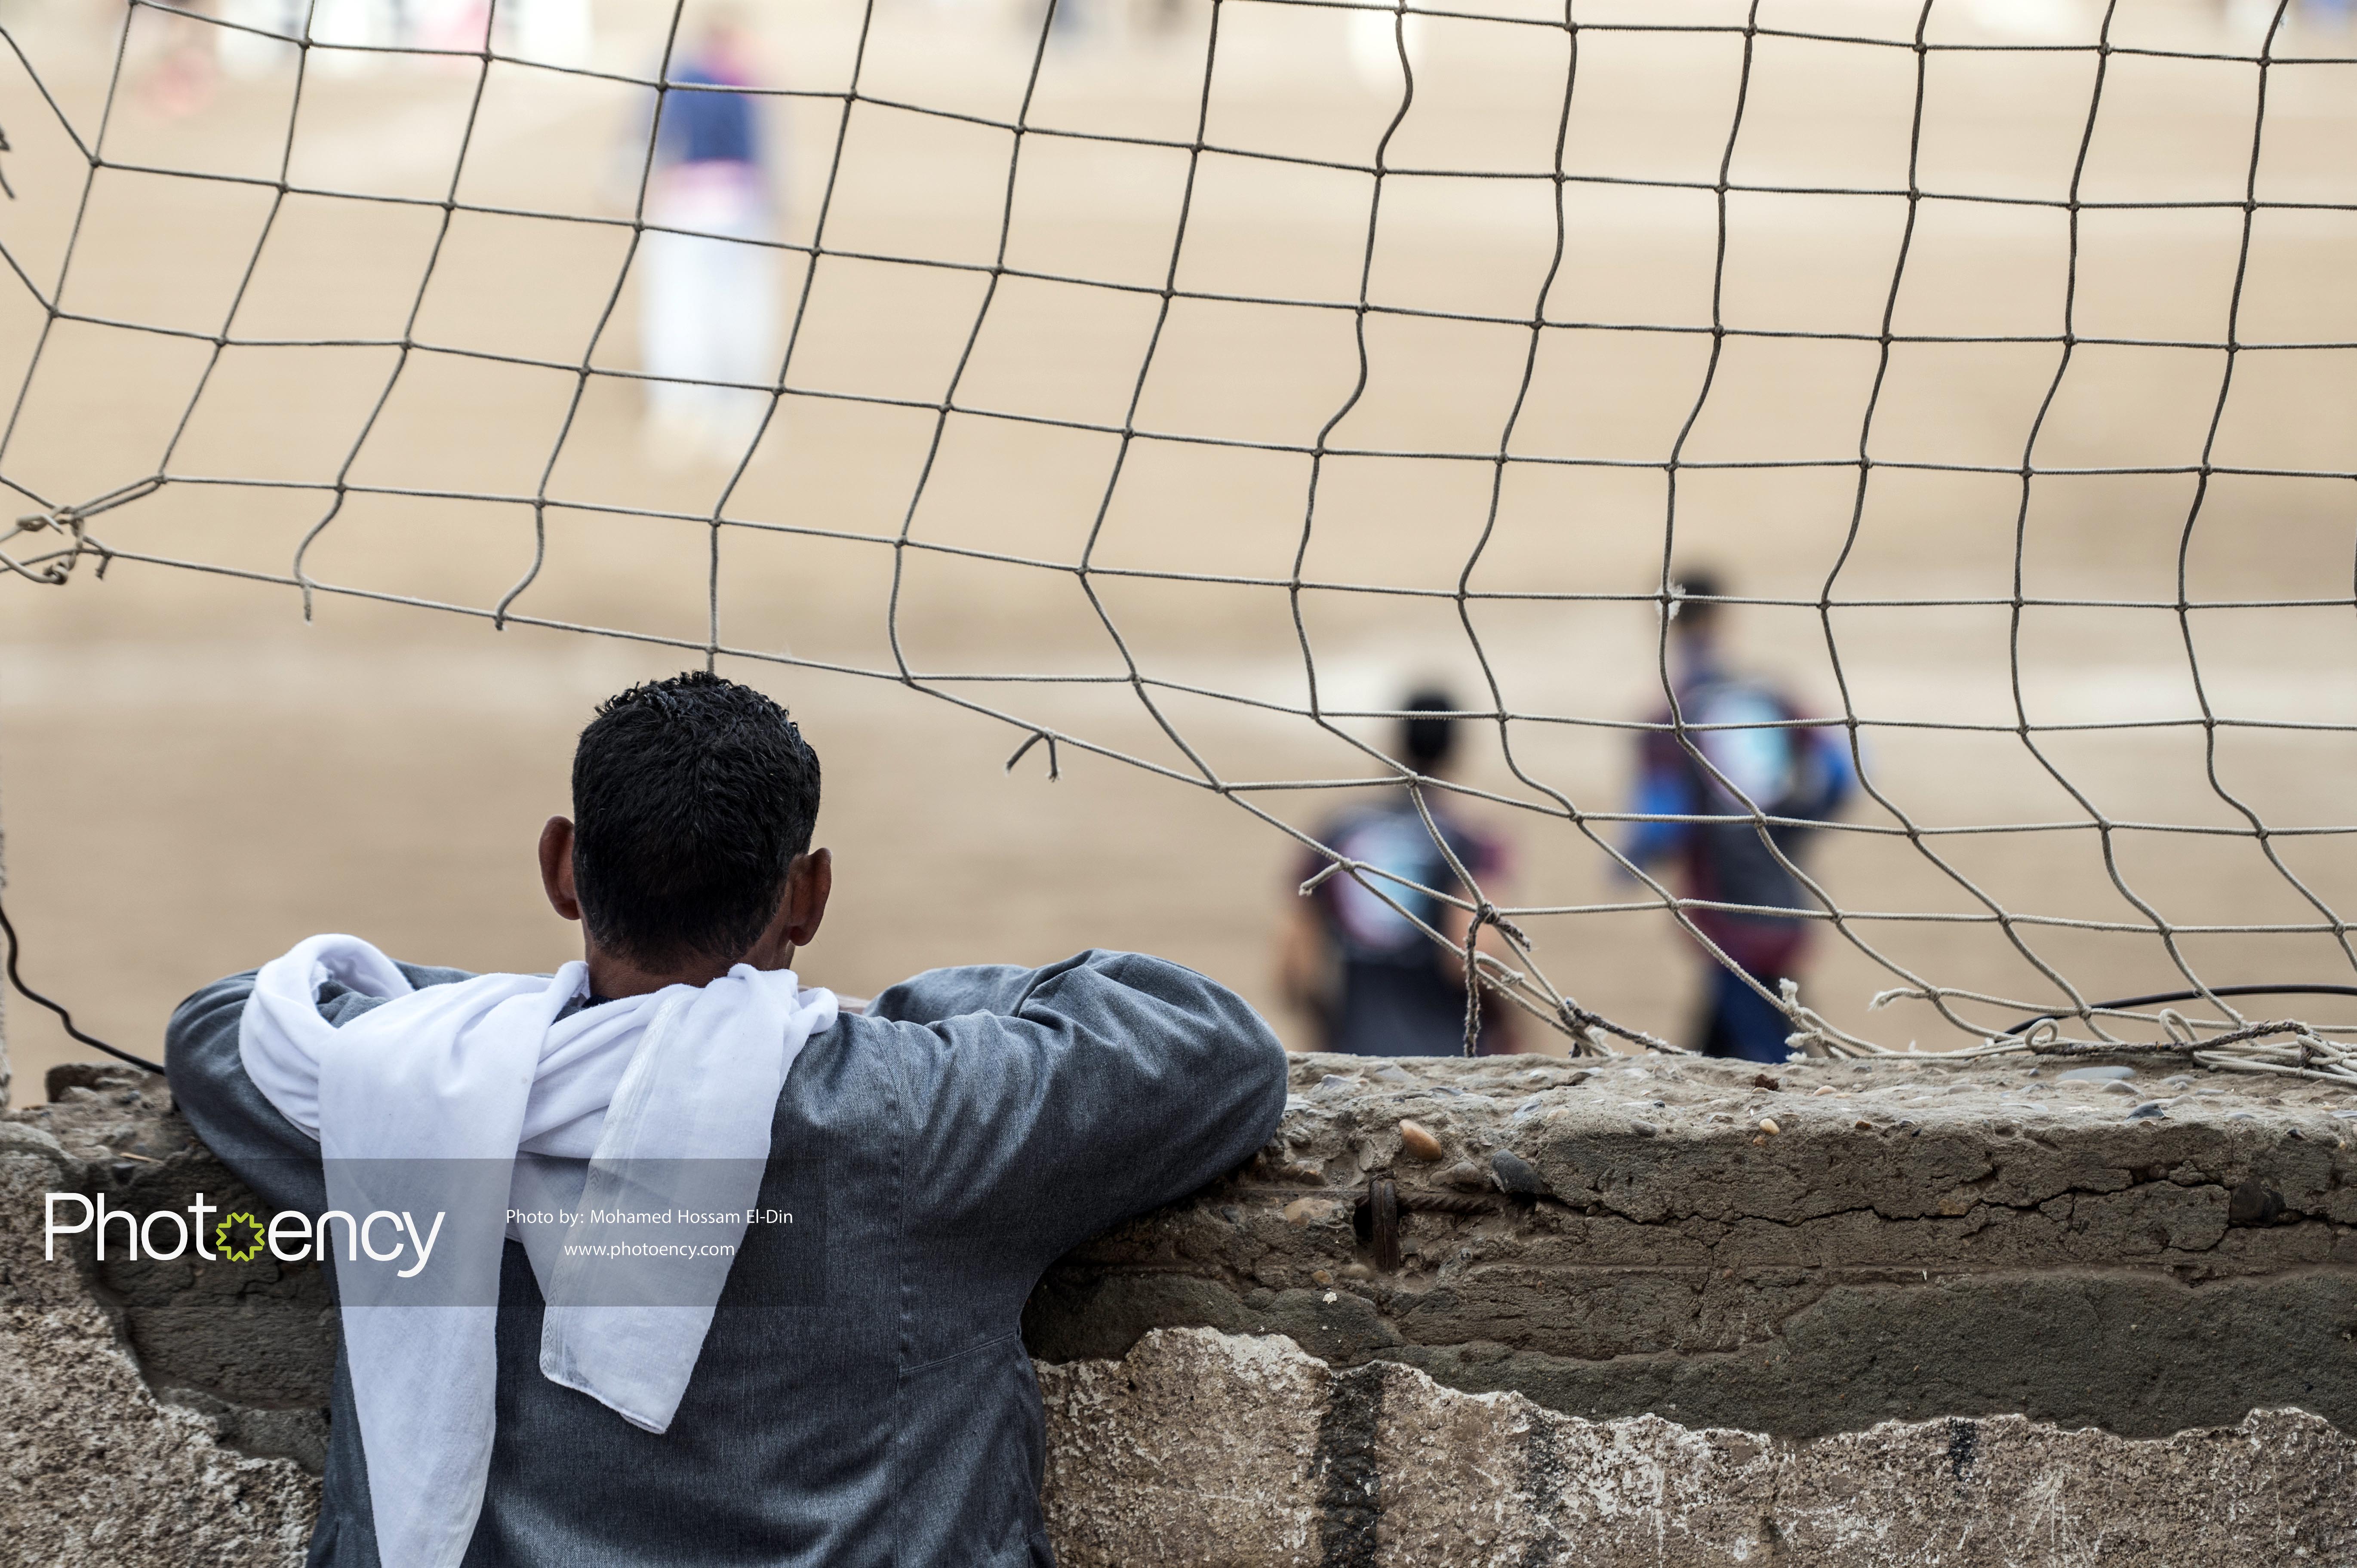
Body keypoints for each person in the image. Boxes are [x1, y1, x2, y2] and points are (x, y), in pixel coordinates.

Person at [165, 671, 1288, 1568]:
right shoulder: (912, 1112)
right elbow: (1213, 1048)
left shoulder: (412, 1094)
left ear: (564, 866)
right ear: (808, 895)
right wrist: (888, 1016)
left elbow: (229, 1026)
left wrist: (523, 1025)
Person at [1622, 571, 1855, 1063]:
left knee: (1766, 1051)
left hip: (1726, 910)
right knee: (1749, 1034)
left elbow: (1664, 820)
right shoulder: (1771, 696)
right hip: (1783, 895)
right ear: (1721, 616)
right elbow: (1841, 773)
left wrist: (1629, 858)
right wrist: (1786, 827)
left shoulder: (1670, 716)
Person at [1278, 688, 1517, 1056]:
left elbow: (1295, 967)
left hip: (1356, 1053)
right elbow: (1471, 960)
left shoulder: (1337, 833)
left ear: (1395, 742)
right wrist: (1511, 1031)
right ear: (1455, 748)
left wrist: (1330, 1033)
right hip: (1449, 1057)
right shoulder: (1472, 841)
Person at [635, 16, 779, 468]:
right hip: (739, 204)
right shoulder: (739, 80)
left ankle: (681, 414)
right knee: (742, 309)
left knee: (678, 311)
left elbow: (651, 145)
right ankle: (737, 415)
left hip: (686, 205)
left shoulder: (679, 76)